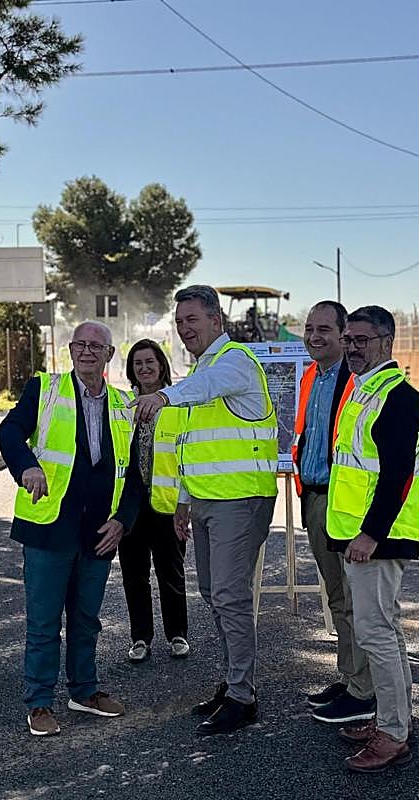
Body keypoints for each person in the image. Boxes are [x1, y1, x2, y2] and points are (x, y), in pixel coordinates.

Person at [134, 284, 279, 736]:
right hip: (206, 501)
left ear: (217, 320)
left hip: (241, 499)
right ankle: (235, 682)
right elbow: (191, 446)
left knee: (231, 597)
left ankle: (242, 696)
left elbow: (205, 387)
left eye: (192, 319)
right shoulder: (202, 369)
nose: (184, 328)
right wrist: (184, 500)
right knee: (216, 594)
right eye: (179, 321)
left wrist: (164, 396)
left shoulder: (233, 361)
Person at [0, 321, 143, 738]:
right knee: (44, 622)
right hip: (49, 528)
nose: (87, 351)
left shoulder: (123, 404)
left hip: (100, 532)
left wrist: (123, 521)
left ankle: (84, 690)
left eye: (96, 346)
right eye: (80, 344)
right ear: (70, 349)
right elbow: (9, 432)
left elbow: (135, 472)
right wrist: (27, 466)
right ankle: (39, 702)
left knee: (86, 619)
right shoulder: (45, 389)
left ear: (110, 355)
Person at [325, 306, 419, 772]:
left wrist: (370, 534)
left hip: (377, 540)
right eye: (348, 339)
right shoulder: (362, 388)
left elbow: (397, 474)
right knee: (384, 630)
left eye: (361, 339)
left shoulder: (398, 395)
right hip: (358, 535)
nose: (352, 347)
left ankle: (393, 735)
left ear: (387, 341)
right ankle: (393, 719)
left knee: (376, 634)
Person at [292, 301, 372, 724]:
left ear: (342, 335)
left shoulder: (356, 381)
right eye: (309, 328)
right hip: (314, 498)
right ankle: (351, 677)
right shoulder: (311, 377)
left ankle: (364, 691)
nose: (314, 336)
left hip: (344, 503)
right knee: (338, 597)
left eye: (324, 329)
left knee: (355, 600)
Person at [119, 338, 189, 663]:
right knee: (134, 574)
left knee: (170, 572)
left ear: (161, 365)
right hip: (130, 507)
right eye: (138, 363)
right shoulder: (124, 407)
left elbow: (187, 455)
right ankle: (140, 638)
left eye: (150, 362)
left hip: (168, 504)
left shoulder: (177, 405)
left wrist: (185, 503)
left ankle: (177, 634)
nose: (144, 368)